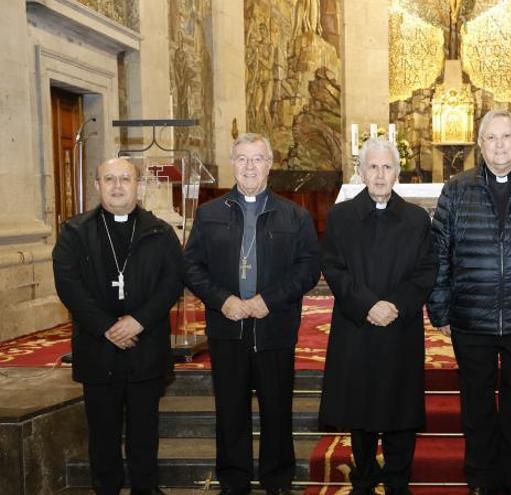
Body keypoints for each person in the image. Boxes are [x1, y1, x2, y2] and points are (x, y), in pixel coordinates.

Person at [428, 110, 511, 495]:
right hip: (472, 317)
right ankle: (479, 477)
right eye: (491, 138)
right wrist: (440, 307)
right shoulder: (457, 189)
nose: (500, 145)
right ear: (480, 144)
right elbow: (439, 252)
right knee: (476, 404)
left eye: (507, 137)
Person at [183, 133, 320, 495]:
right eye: (242, 159)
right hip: (227, 328)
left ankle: (277, 480)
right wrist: (221, 299)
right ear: (233, 164)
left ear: (269, 165)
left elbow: (308, 268)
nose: (249, 167)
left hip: (274, 328)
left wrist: (269, 299)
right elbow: (192, 266)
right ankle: (233, 481)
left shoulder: (295, 215)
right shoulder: (209, 214)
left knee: (277, 409)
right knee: (230, 410)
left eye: (257, 159)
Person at [53, 157, 182, 495]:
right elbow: (68, 284)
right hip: (99, 348)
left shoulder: (160, 231)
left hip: (146, 346)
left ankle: (146, 489)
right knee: (103, 431)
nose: (117, 186)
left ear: (138, 185)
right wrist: (108, 327)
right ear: (96, 185)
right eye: (108, 179)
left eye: (125, 178)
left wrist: (138, 321)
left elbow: (172, 282)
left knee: (145, 430)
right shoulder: (75, 232)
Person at [319, 138, 438, 495]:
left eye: (387, 167)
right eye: (373, 167)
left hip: (400, 327)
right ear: (361, 172)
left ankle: (399, 480)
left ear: (397, 173)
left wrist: (395, 305)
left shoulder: (417, 219)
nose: (380, 174)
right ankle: (365, 477)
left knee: (400, 408)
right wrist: (368, 305)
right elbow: (334, 268)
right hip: (358, 326)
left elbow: (426, 270)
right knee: (361, 407)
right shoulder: (341, 217)